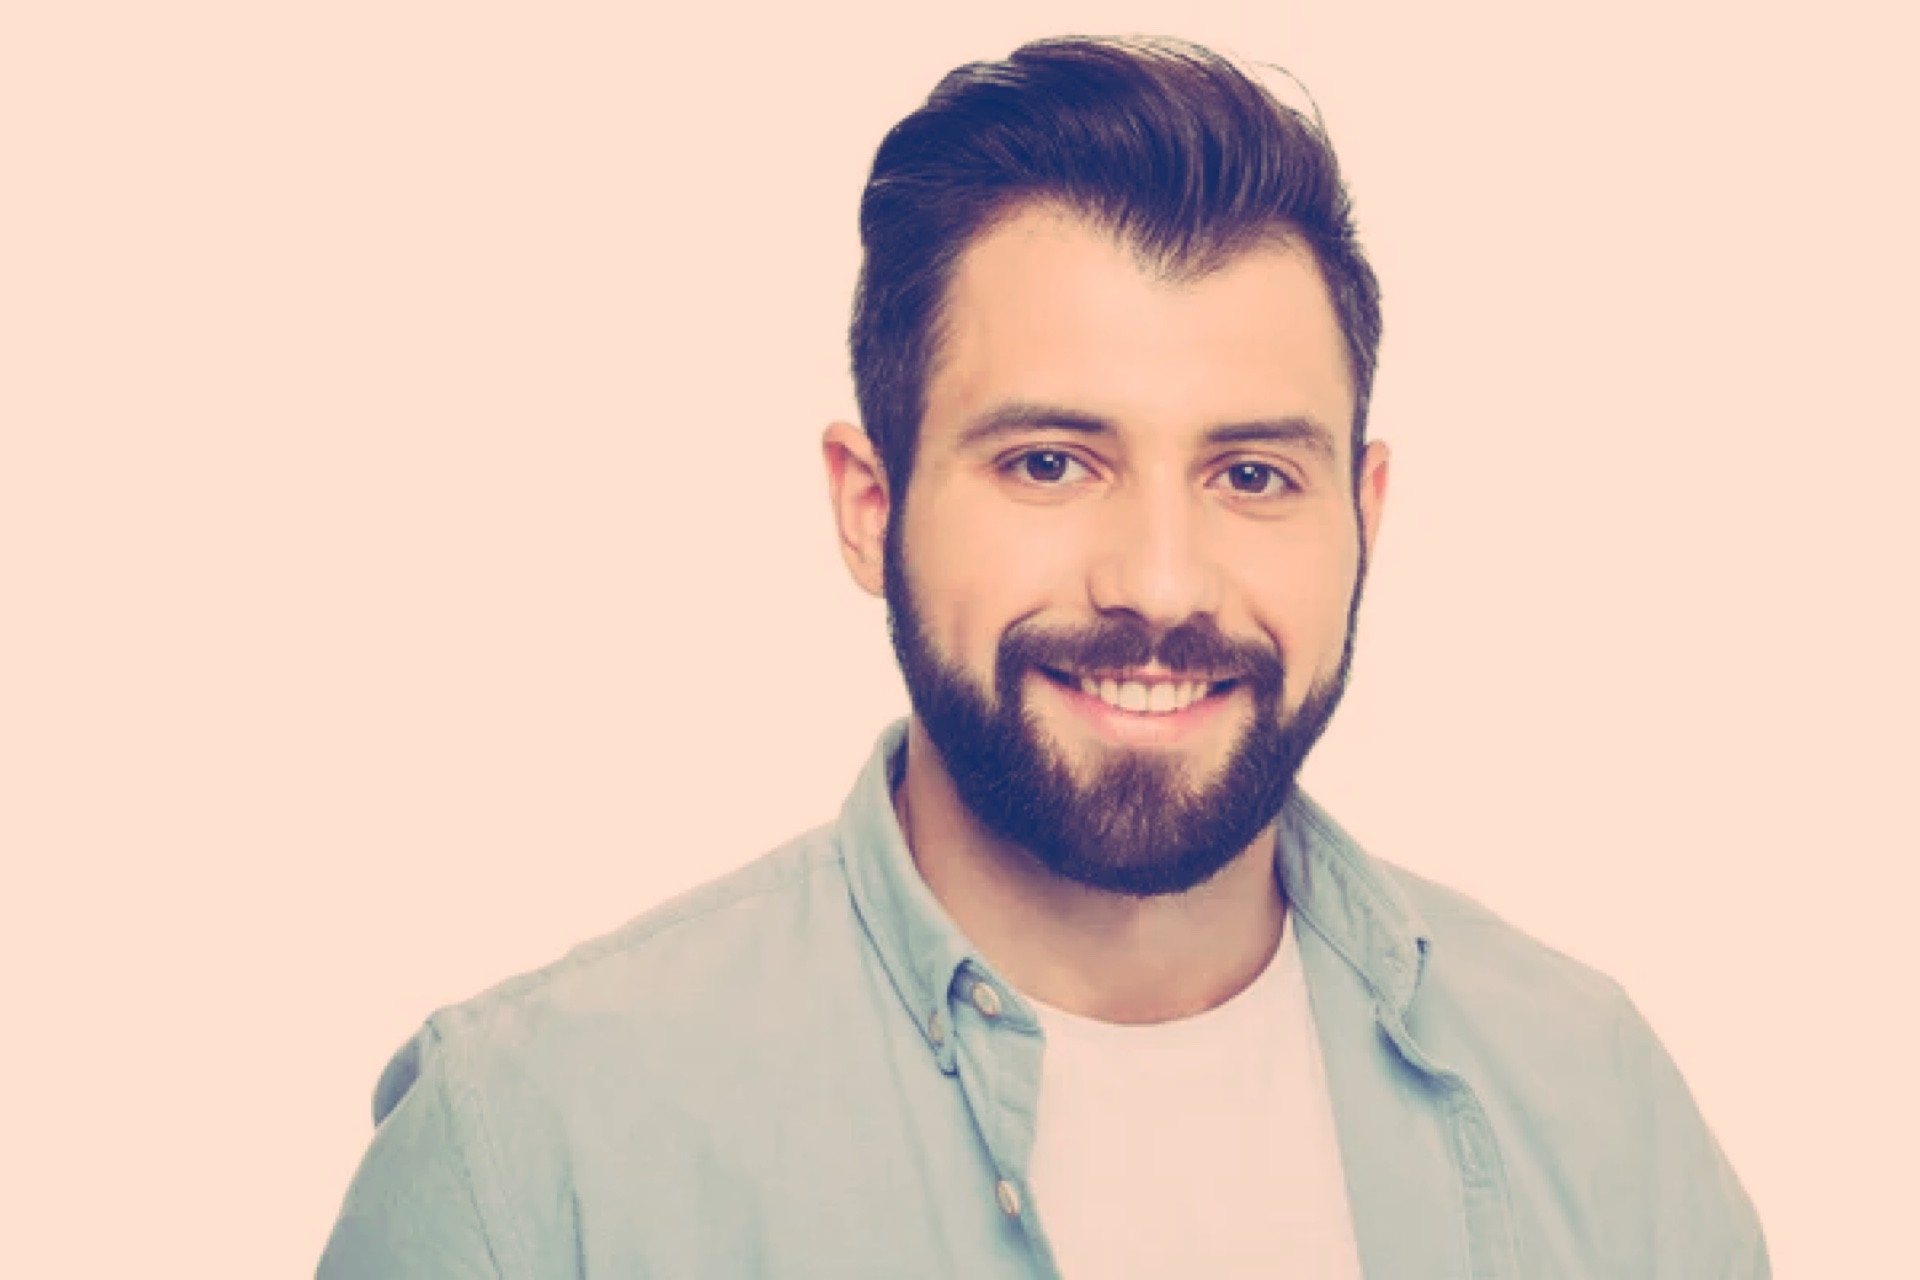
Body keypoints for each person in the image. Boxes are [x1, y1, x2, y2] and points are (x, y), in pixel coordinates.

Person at [319, 35, 1768, 1279]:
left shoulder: (1596, 1107)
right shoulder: (535, 1152)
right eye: (1051, 462)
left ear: (1362, 516)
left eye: (1252, 475)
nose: (1159, 583)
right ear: (868, 505)